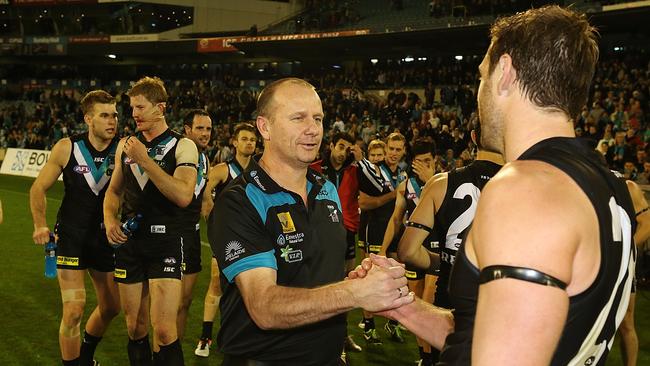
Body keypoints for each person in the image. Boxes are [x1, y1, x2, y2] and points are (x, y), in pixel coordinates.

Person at [354, 5, 636, 365]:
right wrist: (401, 306)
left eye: (481, 77)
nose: (479, 91)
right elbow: (496, 337)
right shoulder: (610, 187)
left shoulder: (525, 189)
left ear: (504, 72)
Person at [210, 77, 412, 366]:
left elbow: (317, 273)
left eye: (318, 118)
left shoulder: (326, 188)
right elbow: (264, 307)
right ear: (264, 127)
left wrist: (359, 279)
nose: (313, 129)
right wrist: (354, 293)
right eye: (298, 118)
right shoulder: (239, 200)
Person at [103, 76, 198, 366]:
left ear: (160, 108)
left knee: (166, 331)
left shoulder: (183, 146)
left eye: (140, 108)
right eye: (132, 108)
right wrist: (109, 220)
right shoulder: (126, 147)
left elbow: (183, 195)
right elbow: (113, 192)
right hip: (130, 244)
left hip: (166, 241)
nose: (134, 114)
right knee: (135, 328)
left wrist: (145, 160)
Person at [396, 125, 503, 365]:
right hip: (499, 313)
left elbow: (407, 251)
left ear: (473, 138)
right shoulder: (528, 188)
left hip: (448, 309)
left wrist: (447, 260)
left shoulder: (440, 183)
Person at [30, 90, 121, 366]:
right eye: (104, 115)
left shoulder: (124, 149)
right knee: (73, 310)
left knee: (111, 308)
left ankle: (86, 357)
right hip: (71, 237)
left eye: (115, 115)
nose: (112, 121)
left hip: (106, 240)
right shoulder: (66, 148)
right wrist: (40, 225)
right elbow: (38, 188)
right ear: (88, 119)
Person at [151, 109, 212, 359]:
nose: (206, 134)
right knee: (165, 307)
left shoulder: (205, 159)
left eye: (208, 129)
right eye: (200, 128)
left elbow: (204, 198)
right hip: (171, 235)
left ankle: (172, 356)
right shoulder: (175, 154)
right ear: (187, 130)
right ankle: (159, 355)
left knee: (185, 303)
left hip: (193, 237)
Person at [194, 122, 258, 357]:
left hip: (254, 239)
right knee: (216, 285)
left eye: (252, 139)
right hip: (228, 240)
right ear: (235, 142)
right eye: (244, 139)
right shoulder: (223, 169)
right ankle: (205, 337)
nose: (249, 143)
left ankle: (242, 337)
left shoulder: (261, 169)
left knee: (250, 289)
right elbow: (204, 191)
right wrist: (212, 213)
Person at [377, 138, 437, 361]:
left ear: (435, 161)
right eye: (419, 161)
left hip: (435, 250)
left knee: (429, 302)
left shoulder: (443, 182)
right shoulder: (405, 187)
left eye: (428, 161)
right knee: (417, 304)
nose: (423, 165)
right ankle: (425, 356)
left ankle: (433, 356)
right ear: (412, 162)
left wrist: (430, 180)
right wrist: (382, 250)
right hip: (413, 250)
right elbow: (395, 220)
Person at [310, 131, 364, 354]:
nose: (343, 153)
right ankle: (318, 334)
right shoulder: (314, 168)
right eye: (340, 146)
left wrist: (362, 161)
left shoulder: (356, 171)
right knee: (320, 283)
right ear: (331, 145)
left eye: (348, 148)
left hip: (348, 231)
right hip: (320, 233)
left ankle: (342, 335)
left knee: (347, 284)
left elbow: (377, 186)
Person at [356, 132, 407, 344]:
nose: (394, 153)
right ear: (385, 149)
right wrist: (394, 194)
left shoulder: (405, 173)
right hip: (374, 227)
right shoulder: (374, 170)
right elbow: (363, 203)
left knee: (398, 278)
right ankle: (368, 325)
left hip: (397, 229)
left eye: (398, 149)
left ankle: (393, 322)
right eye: (391, 149)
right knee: (372, 275)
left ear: (404, 150)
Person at [619, 180, 650, 366]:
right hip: (591, 262)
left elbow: (647, 223)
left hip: (623, 264)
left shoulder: (627, 186)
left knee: (626, 322)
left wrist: (624, 250)